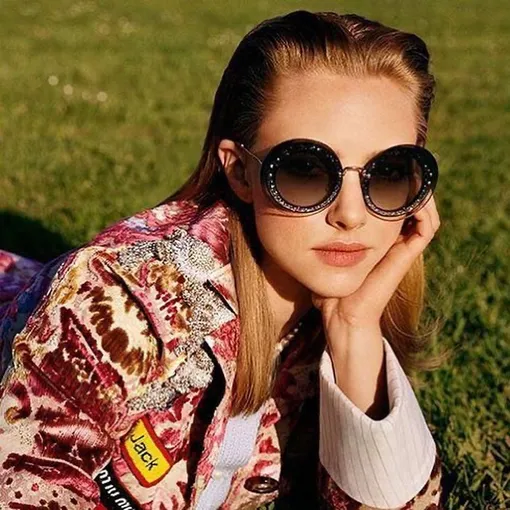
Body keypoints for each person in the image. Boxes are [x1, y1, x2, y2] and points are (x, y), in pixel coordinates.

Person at [0, 10, 448, 510]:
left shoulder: (333, 311)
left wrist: (355, 332)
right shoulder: (119, 304)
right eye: (304, 169)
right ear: (238, 172)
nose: (351, 214)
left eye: (388, 172)